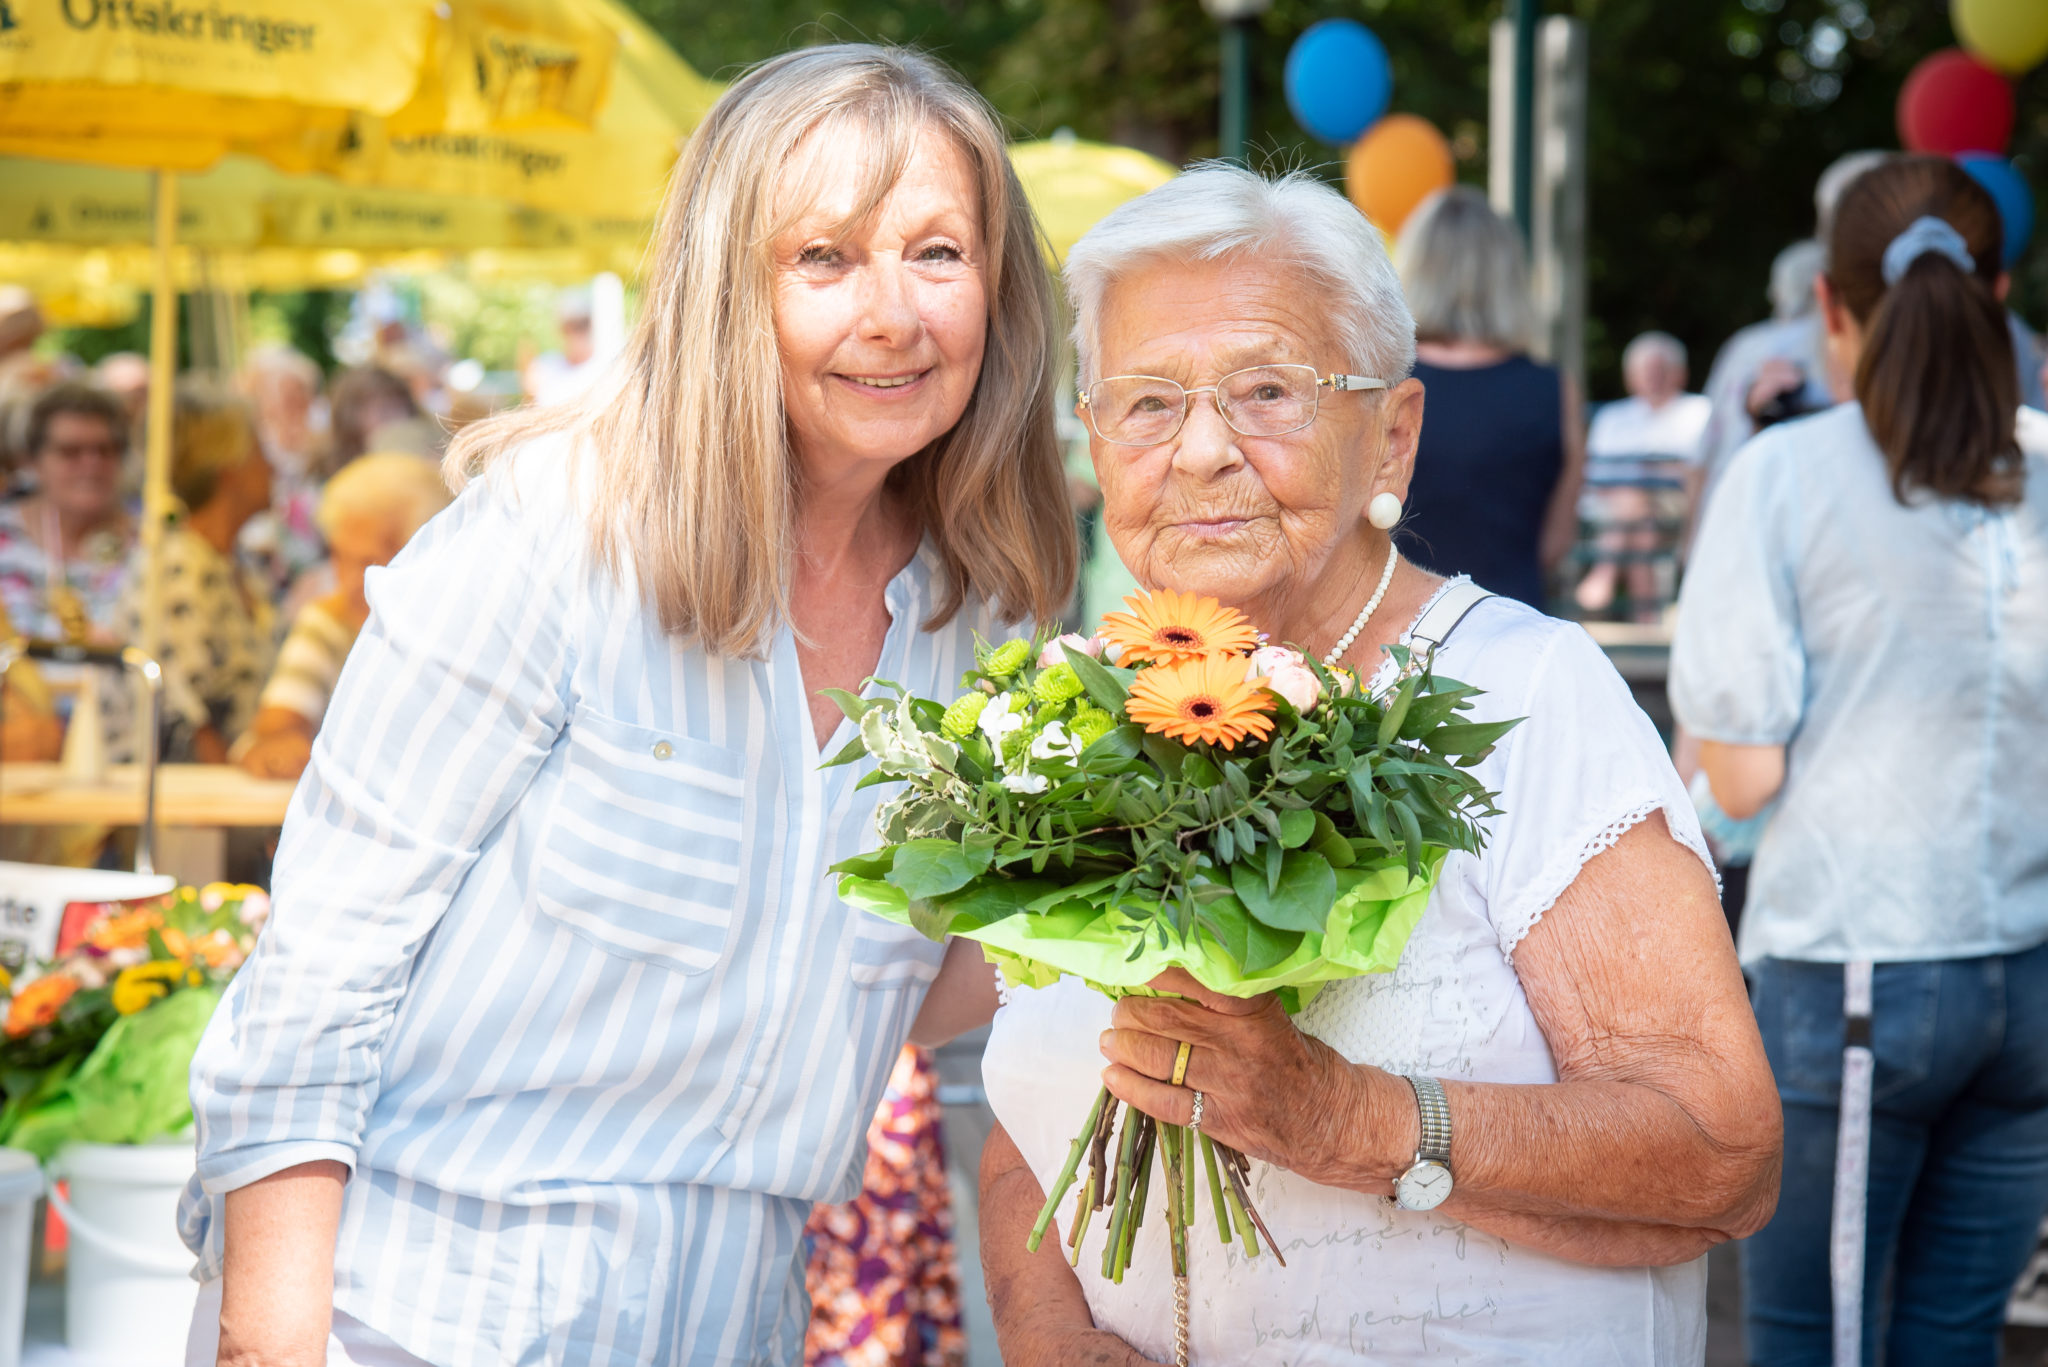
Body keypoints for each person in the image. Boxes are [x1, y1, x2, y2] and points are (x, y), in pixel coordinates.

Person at [180, 44, 1073, 1367]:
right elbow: (318, 980)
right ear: (727, 288)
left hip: (739, 1317)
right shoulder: (555, 534)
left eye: (937, 253)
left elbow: (921, 975)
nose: (896, 314)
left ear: (998, 292)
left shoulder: (980, 617)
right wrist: (272, 1346)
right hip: (407, 1317)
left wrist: (1152, 885)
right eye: (825, 259)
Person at [979, 163, 1779, 1365]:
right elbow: (1024, 1118)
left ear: (1390, 431)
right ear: (1092, 439)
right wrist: (1047, 1335)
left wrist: (1345, 1116)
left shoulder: (1525, 694)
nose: (1200, 451)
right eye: (1144, 402)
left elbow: (1719, 1151)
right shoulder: (1068, 711)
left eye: (1263, 390)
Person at [1673, 155, 2048, 1367]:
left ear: (1826, 307)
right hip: (2028, 971)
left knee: (1811, 1342)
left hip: (1853, 970)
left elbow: (1741, 777)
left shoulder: (1782, 475)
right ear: (2000, 287)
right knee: (1951, 1338)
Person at [1390, 186, 1584, 610]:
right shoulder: (1554, 389)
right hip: (1512, 628)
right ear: (1510, 276)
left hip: (1395, 643)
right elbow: (1556, 543)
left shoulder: (1385, 384)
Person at [235, 453, 453, 781]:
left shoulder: (458, 634)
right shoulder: (328, 624)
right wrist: (280, 746)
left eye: (369, 562)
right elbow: (273, 732)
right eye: (339, 556)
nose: (350, 581)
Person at [115, 379, 275, 764]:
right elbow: (186, 722)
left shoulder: (231, 562)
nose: (272, 464)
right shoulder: (177, 565)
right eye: (258, 449)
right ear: (228, 465)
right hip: (192, 807)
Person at [1574, 331, 1710, 617]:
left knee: (1636, 503)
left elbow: (1698, 471)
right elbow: (1595, 475)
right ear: (1630, 376)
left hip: (1679, 508)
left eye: (1661, 370)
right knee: (1641, 524)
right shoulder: (1613, 416)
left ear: (1679, 374)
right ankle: (1647, 620)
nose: (1653, 378)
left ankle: (1605, 572)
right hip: (1624, 509)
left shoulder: (1699, 411)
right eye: (1646, 371)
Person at [0, 383, 135, 645]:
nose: (91, 464)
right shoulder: (5, 536)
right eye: (71, 452)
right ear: (32, 460)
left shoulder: (149, 542)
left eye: (105, 450)